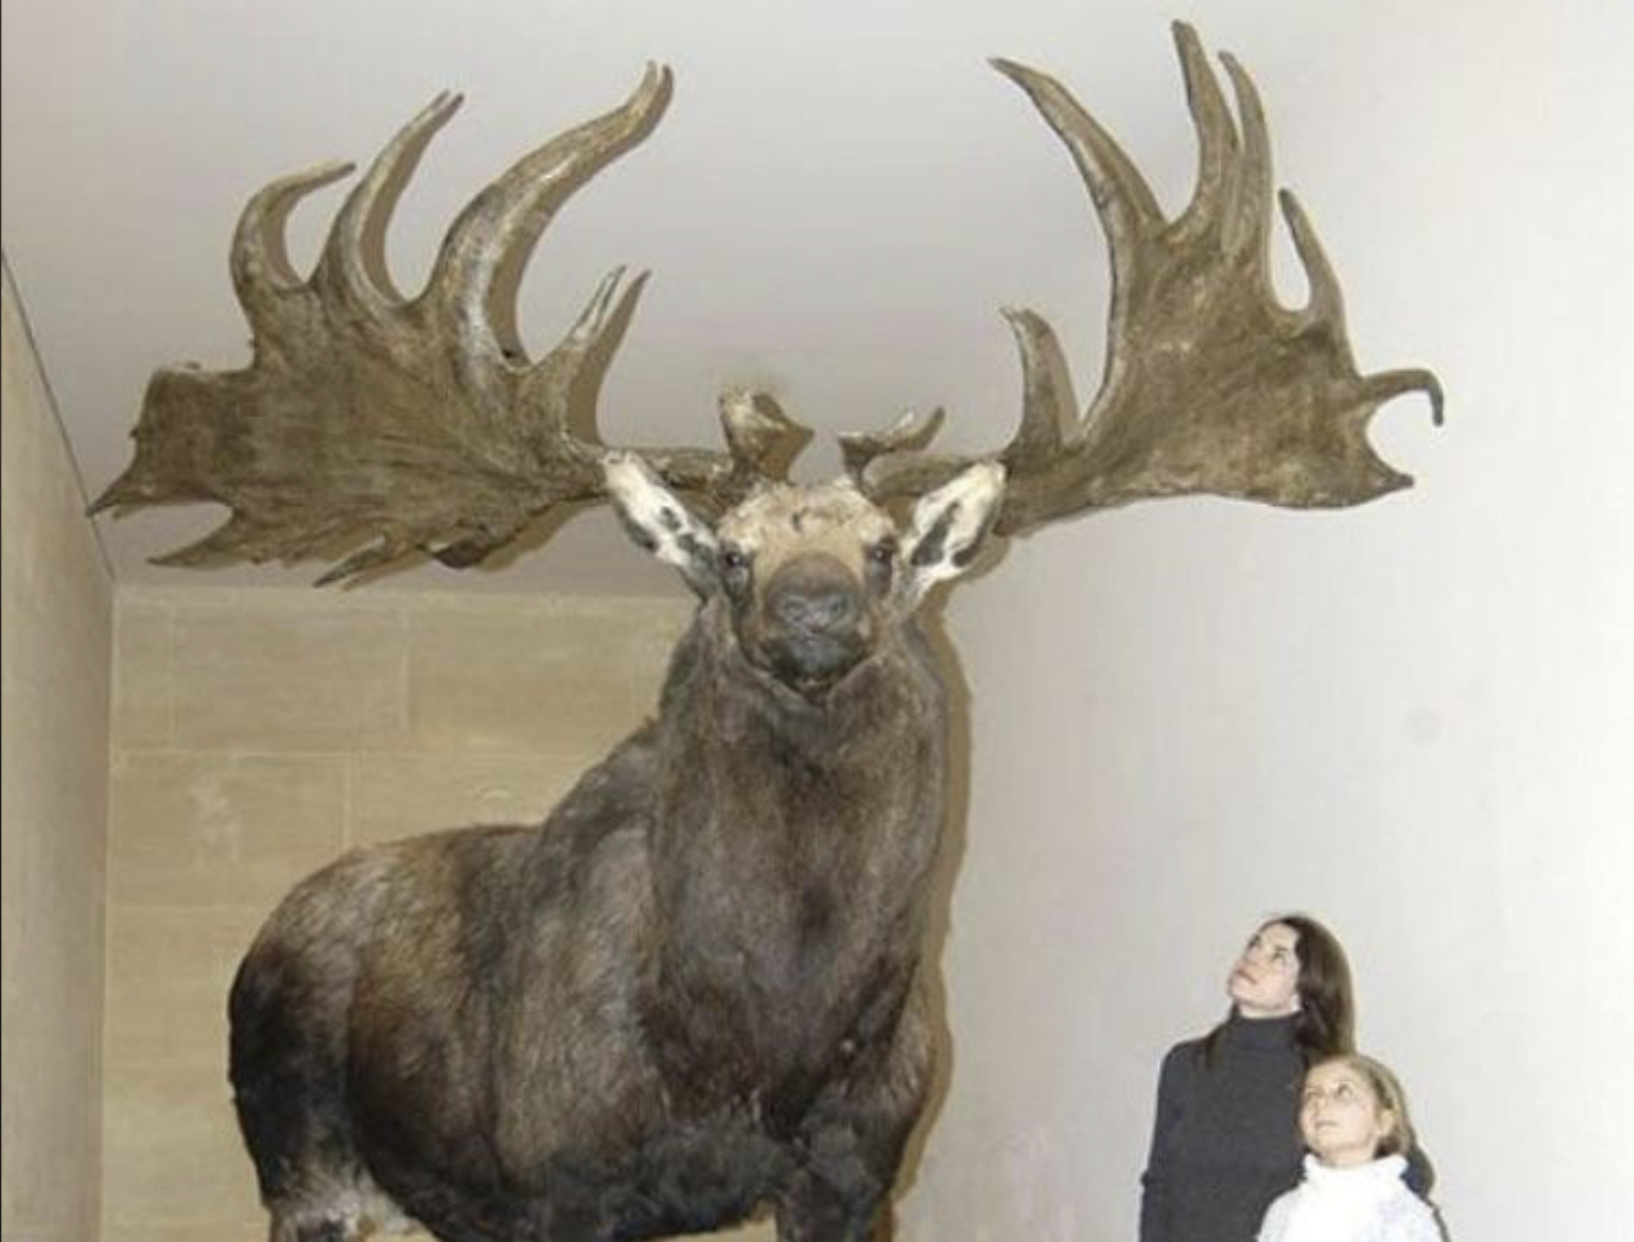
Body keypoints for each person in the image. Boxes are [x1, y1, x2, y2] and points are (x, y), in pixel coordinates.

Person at [1138, 915, 1432, 1242]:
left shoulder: (1324, 1082)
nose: (1253, 957)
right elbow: (1159, 1182)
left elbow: (1411, 1172)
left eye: (1277, 957)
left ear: (1303, 992)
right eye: (1255, 945)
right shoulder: (1186, 1063)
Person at [1256, 1053, 1444, 1241]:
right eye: (1311, 1095)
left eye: (1343, 1092)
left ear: (1384, 1122)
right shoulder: (1283, 1211)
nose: (1320, 1103)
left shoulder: (1407, 1220)